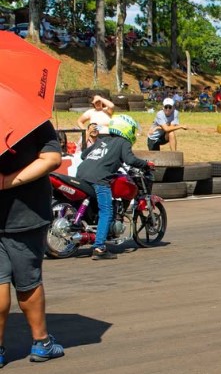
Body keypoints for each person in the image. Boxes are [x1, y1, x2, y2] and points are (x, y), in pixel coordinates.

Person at [0, 120, 65, 364]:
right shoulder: (29, 118)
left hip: (21, 214)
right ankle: (41, 342)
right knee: (28, 279)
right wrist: (7, 182)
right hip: (25, 213)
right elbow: (51, 159)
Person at [76, 115, 151, 260]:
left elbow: (84, 155)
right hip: (99, 178)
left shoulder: (102, 140)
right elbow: (130, 160)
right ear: (127, 129)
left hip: (81, 174)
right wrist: (146, 164)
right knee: (107, 211)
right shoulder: (123, 142)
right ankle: (99, 248)